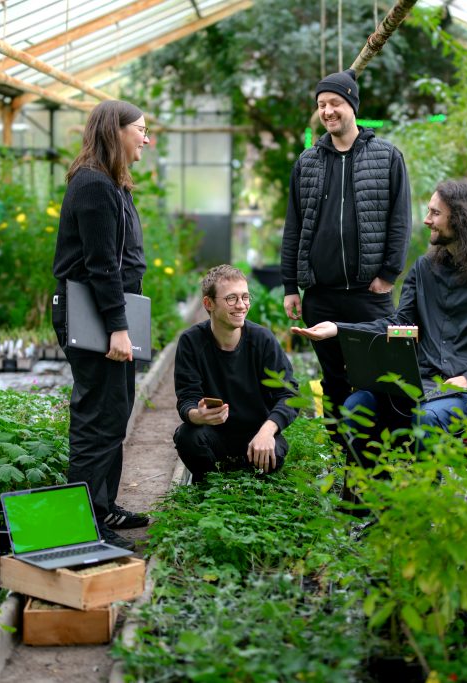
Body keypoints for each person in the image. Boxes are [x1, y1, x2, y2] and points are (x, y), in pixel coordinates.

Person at [292, 179, 467, 462]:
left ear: (460, 218)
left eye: (435, 213)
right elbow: (398, 325)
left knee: (427, 420)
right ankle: (367, 499)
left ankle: (420, 503)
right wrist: (338, 328)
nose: (426, 220)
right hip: (416, 387)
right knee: (356, 407)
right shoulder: (424, 269)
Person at [280, 67, 412, 427]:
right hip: (321, 295)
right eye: (322, 104)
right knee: (334, 380)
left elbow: (400, 221)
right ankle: (342, 456)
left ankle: (377, 458)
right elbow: (294, 226)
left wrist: (388, 274)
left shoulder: (386, 157)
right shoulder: (307, 162)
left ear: (352, 104)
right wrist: (291, 286)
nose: (327, 111)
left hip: (369, 296)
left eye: (335, 102)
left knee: (379, 378)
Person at [51, 100, 151, 550]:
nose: (145, 139)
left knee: (115, 412)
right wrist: (118, 326)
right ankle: (85, 521)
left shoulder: (111, 183)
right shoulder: (93, 185)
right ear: (116, 131)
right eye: (141, 130)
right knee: (96, 417)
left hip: (109, 313)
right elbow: (101, 265)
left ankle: (104, 504)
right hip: (94, 316)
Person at [173, 265, 299, 482]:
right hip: (215, 435)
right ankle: (213, 486)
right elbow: (187, 398)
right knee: (187, 436)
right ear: (208, 303)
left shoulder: (263, 340)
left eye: (245, 297)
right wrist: (197, 415)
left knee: (274, 454)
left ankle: (248, 481)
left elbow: (290, 396)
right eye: (231, 298)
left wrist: (267, 432)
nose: (241, 305)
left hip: (257, 435)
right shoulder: (191, 342)